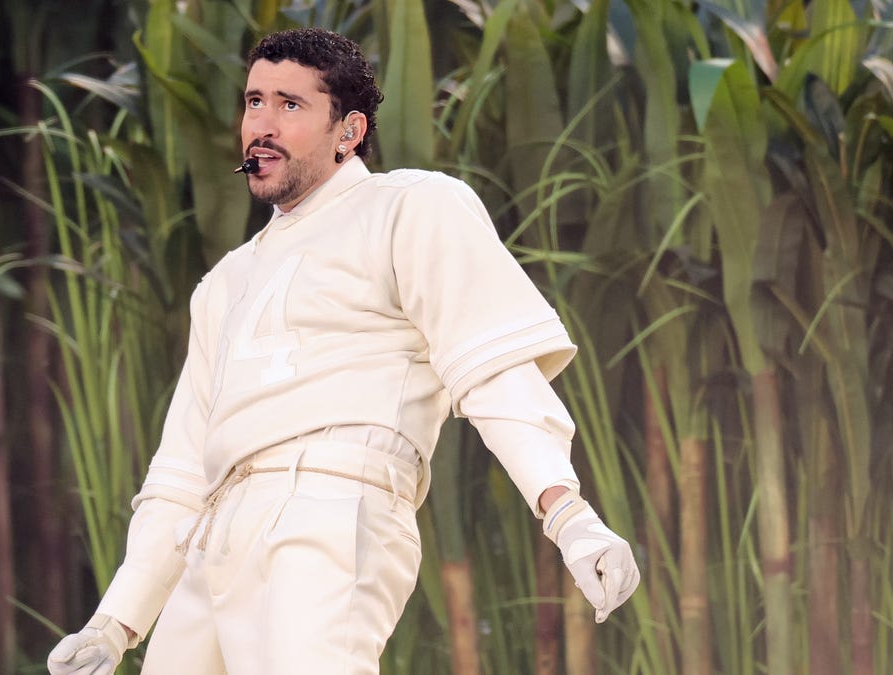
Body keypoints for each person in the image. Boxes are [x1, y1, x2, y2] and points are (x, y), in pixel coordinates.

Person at [48, 27, 639, 675]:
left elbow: (491, 367)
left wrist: (569, 516)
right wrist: (116, 621)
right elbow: (183, 469)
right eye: (253, 103)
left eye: (290, 105)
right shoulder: (223, 285)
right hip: (212, 540)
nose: (261, 126)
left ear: (349, 131)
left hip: (333, 508)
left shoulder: (411, 207)